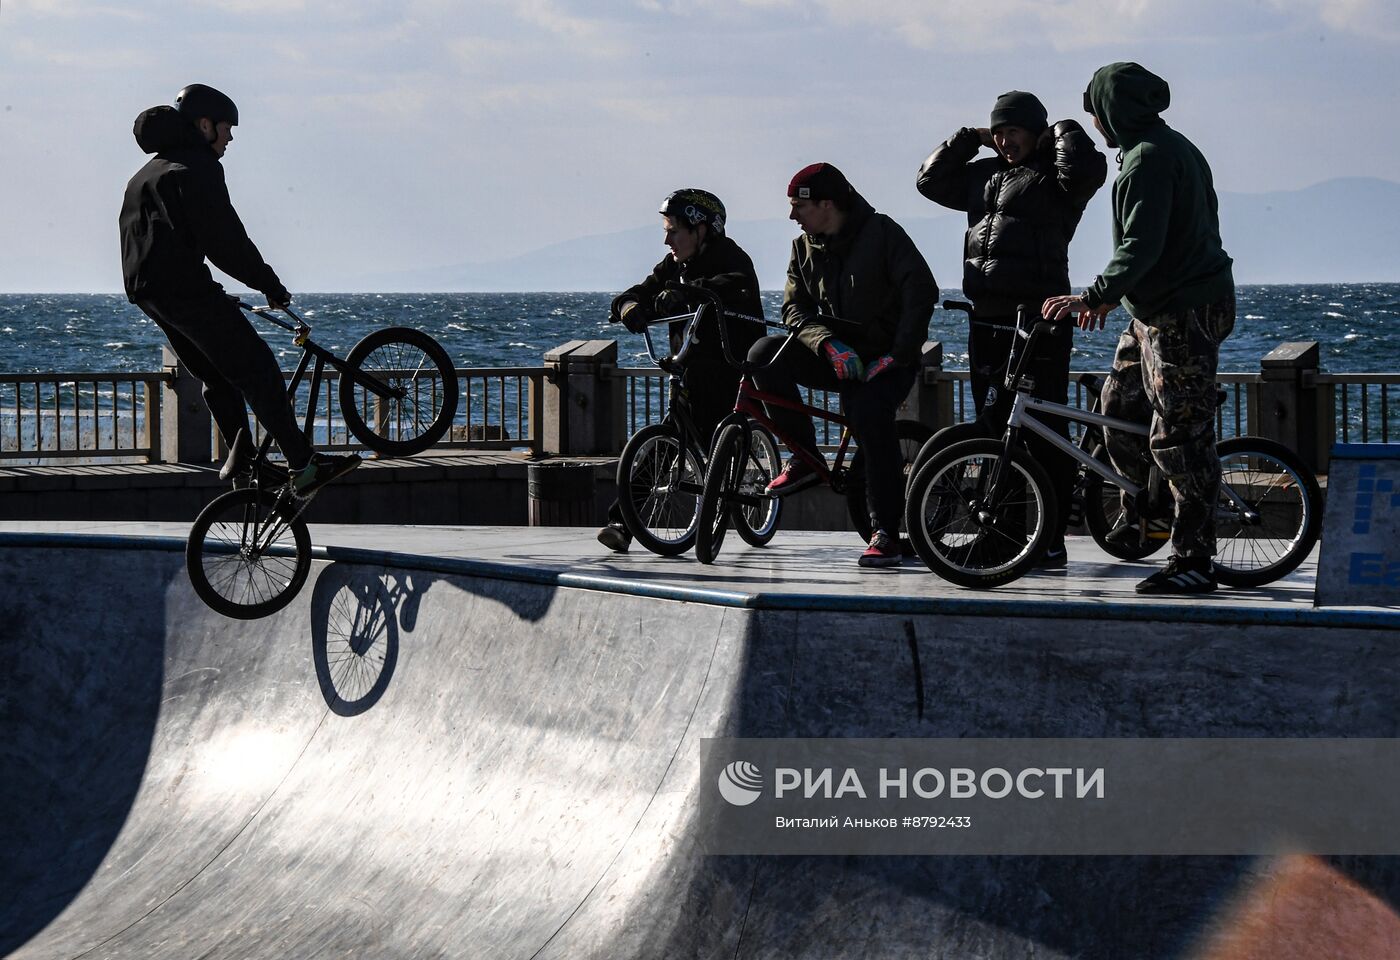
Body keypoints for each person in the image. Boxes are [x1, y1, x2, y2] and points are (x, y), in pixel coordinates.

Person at [1043, 62, 1235, 595]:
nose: (1094, 123)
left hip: (1183, 310)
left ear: (1114, 110)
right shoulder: (1158, 149)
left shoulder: (1151, 158)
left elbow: (1142, 244)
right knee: (1118, 407)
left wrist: (1095, 295)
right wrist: (1116, 298)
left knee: (1179, 433)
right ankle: (1148, 512)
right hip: (1153, 307)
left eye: (1096, 112)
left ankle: (1194, 558)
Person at [120, 83, 359, 493]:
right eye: (227, 128)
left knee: (216, 374)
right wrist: (269, 284)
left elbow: (154, 242)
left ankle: (244, 459)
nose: (230, 137)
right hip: (184, 290)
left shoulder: (146, 175)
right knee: (258, 368)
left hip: (150, 294)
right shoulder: (196, 167)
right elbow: (225, 241)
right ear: (205, 125)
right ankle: (302, 464)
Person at [917, 91, 1107, 568]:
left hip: (1039, 320)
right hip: (987, 319)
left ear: (1036, 132)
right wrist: (969, 138)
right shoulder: (982, 174)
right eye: (999, 132)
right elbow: (929, 182)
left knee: (1043, 429)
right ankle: (1002, 537)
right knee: (996, 428)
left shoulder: (1056, 180)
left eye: (1014, 131)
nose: (1004, 140)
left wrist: (1059, 128)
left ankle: (1050, 540)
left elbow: (1088, 168)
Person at [754, 163, 937, 567]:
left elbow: (922, 291)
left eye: (798, 206)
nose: (791, 216)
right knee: (763, 355)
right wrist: (827, 344)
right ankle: (805, 457)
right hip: (836, 354)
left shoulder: (883, 233)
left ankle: (885, 532)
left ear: (827, 204)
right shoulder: (802, 247)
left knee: (868, 412)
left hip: (887, 359)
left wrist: (898, 354)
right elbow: (794, 309)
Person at [597, 189, 764, 552]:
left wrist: (687, 292)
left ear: (701, 229)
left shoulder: (733, 259)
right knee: (670, 438)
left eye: (674, 231)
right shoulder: (674, 266)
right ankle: (622, 522)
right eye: (666, 231)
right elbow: (641, 291)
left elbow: (731, 284)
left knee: (704, 434)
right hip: (690, 367)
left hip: (729, 368)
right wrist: (628, 307)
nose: (667, 240)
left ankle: (636, 519)